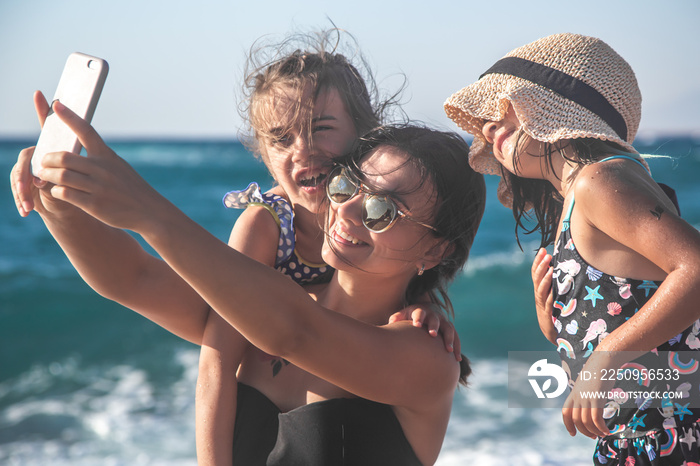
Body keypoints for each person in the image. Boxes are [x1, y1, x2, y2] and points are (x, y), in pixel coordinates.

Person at [10, 30, 460, 464]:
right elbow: (136, 279)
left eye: (383, 210)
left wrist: (149, 211)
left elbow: (293, 330)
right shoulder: (265, 262)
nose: (348, 210)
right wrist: (56, 204)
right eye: (347, 189)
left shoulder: (423, 354)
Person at [444, 32, 700, 465]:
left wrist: (602, 359)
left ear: (551, 108)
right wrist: (558, 323)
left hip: (668, 437)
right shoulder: (586, 194)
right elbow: (636, 313)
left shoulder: (596, 181)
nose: (488, 128)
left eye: (503, 111)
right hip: (644, 437)